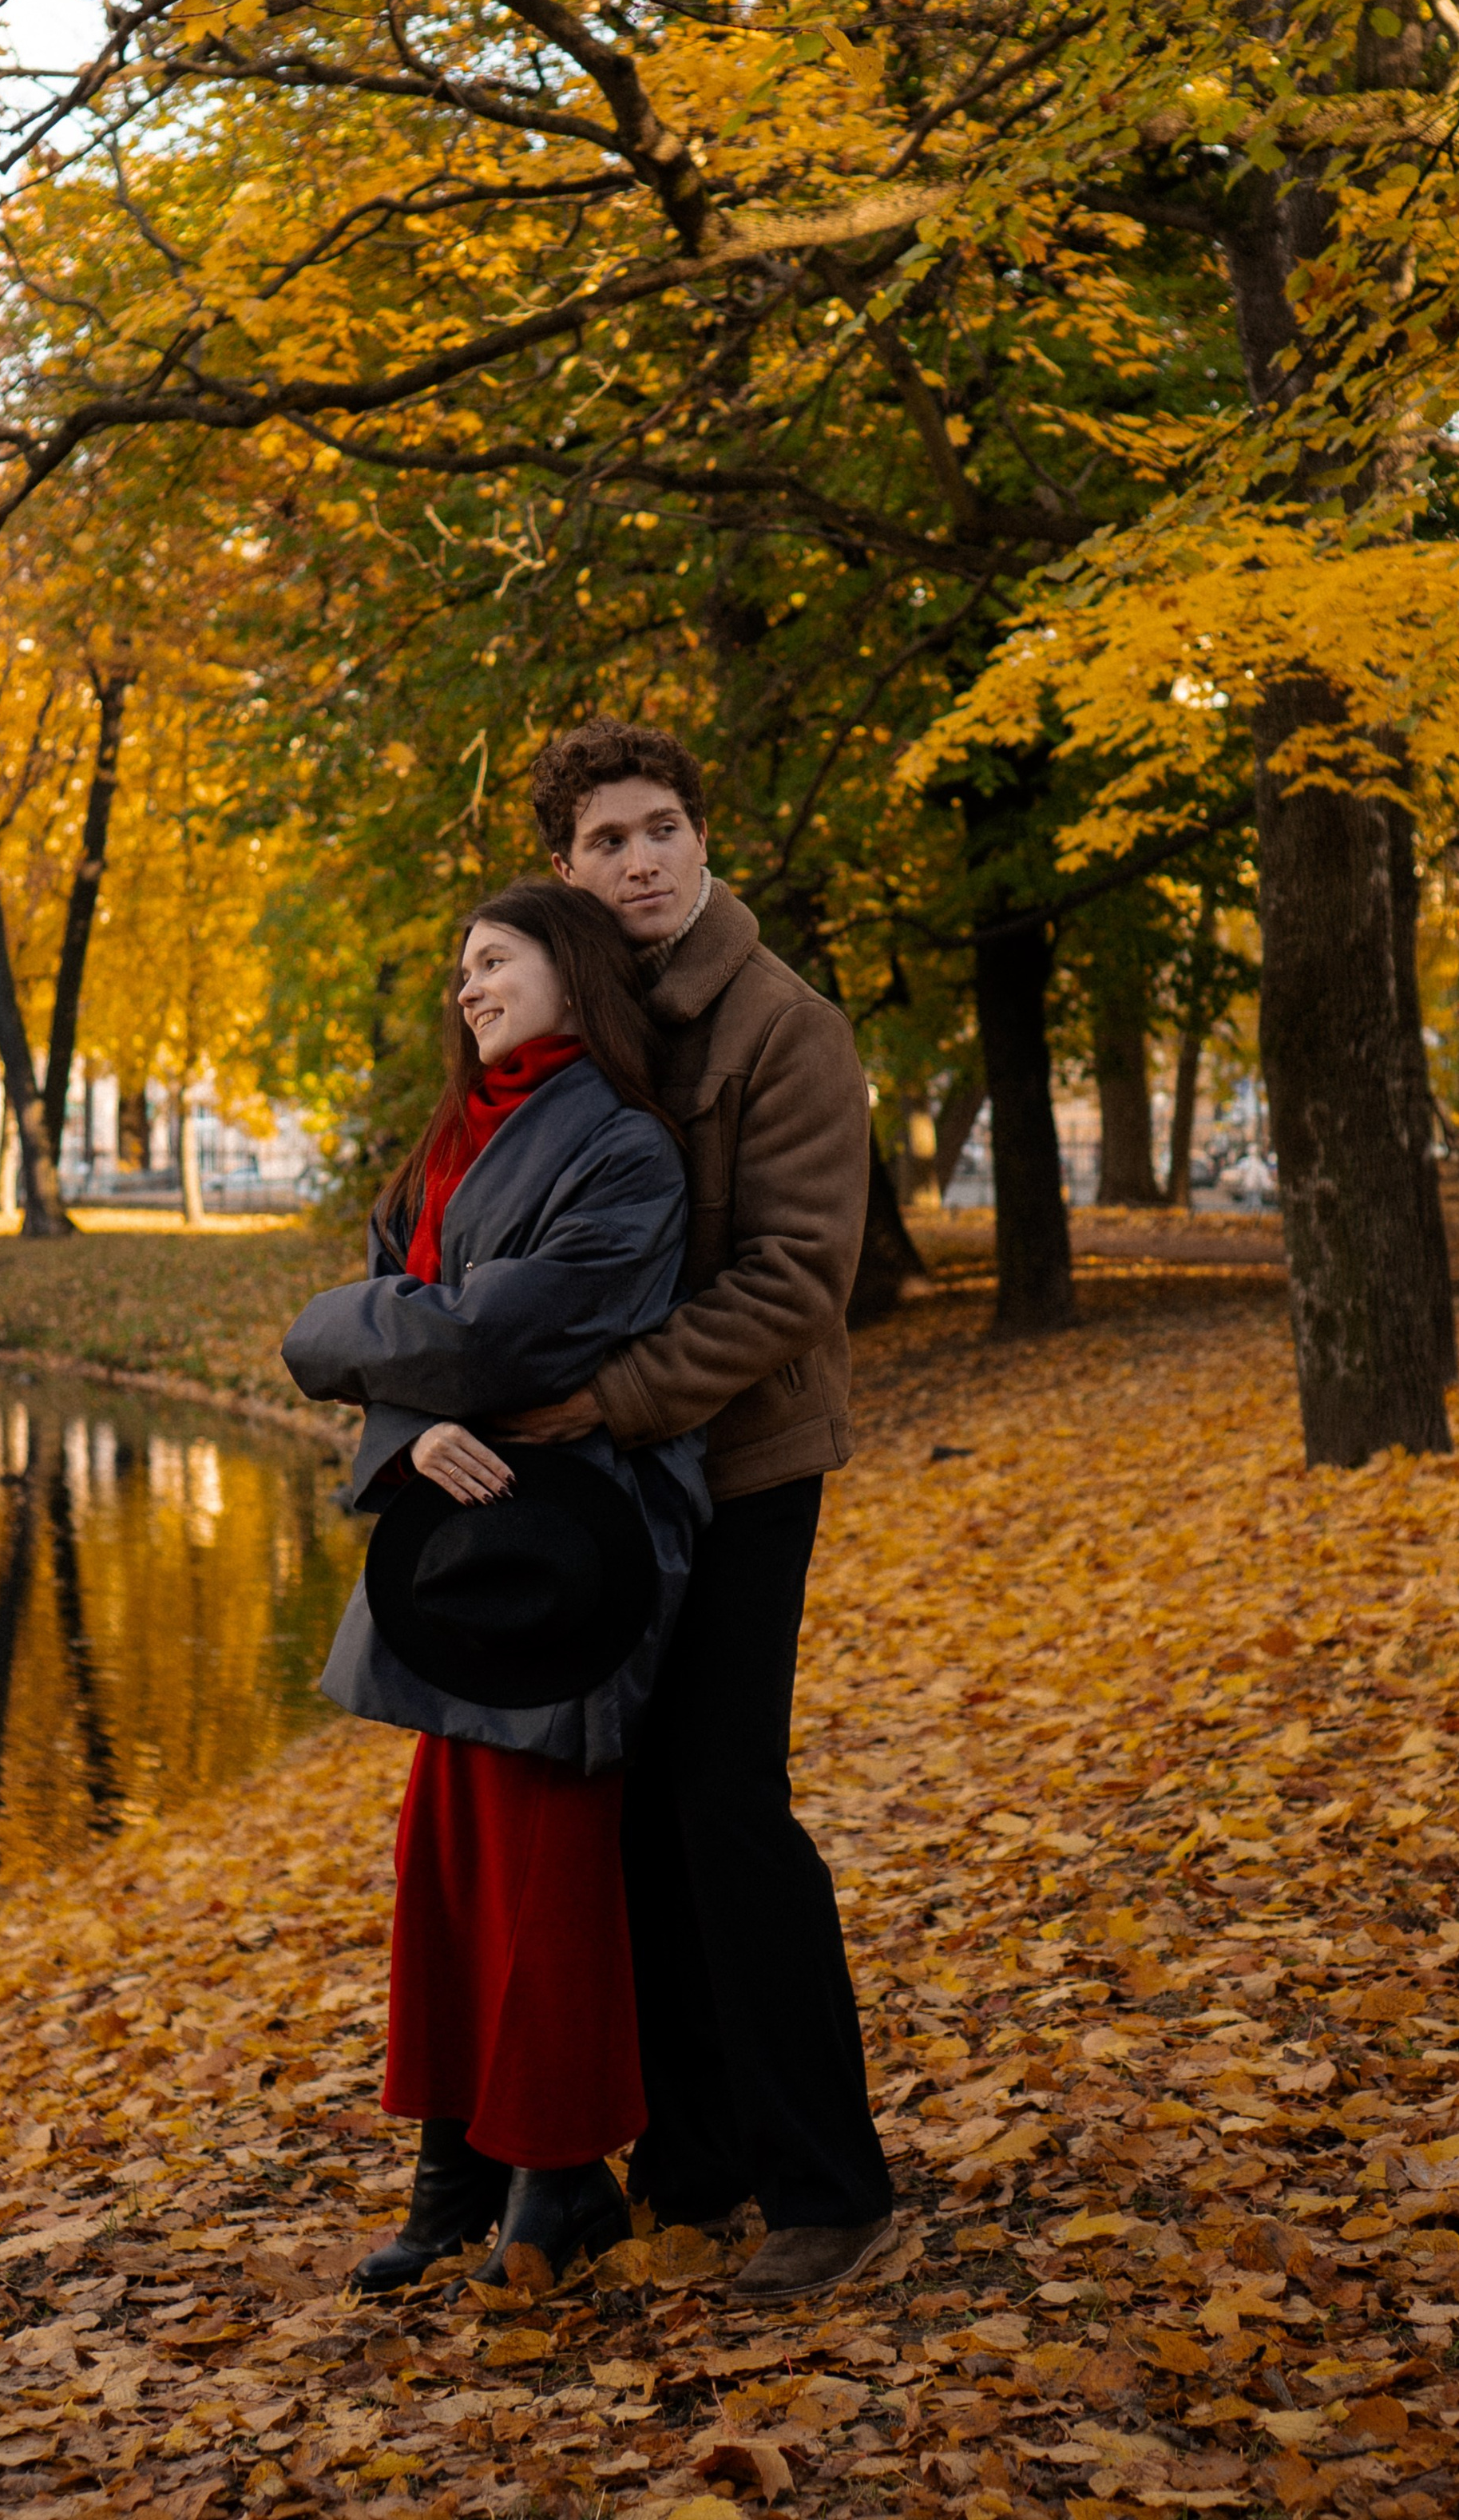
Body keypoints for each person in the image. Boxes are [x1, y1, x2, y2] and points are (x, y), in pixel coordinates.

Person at [502, 719, 895, 2303]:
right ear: (565, 869)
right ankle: (695, 2159)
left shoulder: (780, 1024)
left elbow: (795, 1279)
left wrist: (605, 1396)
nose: (640, 860)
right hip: (608, 1488)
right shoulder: (588, 1019)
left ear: (700, 839)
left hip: (740, 1467)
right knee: (641, 1823)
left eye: (661, 828)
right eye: (606, 842)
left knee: (727, 1812)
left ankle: (831, 2187)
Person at [280, 880, 707, 2292]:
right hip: (454, 1536)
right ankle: (455, 2172)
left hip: (569, 1553)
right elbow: (375, 1346)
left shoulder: (628, 1151)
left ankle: (555, 2175)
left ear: (575, 974)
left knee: (547, 1875)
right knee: (447, 1870)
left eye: (494, 962)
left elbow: (495, 1336)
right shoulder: (446, 1146)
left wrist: (385, 1355)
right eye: (460, 969)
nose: (468, 989)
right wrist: (409, 1418)